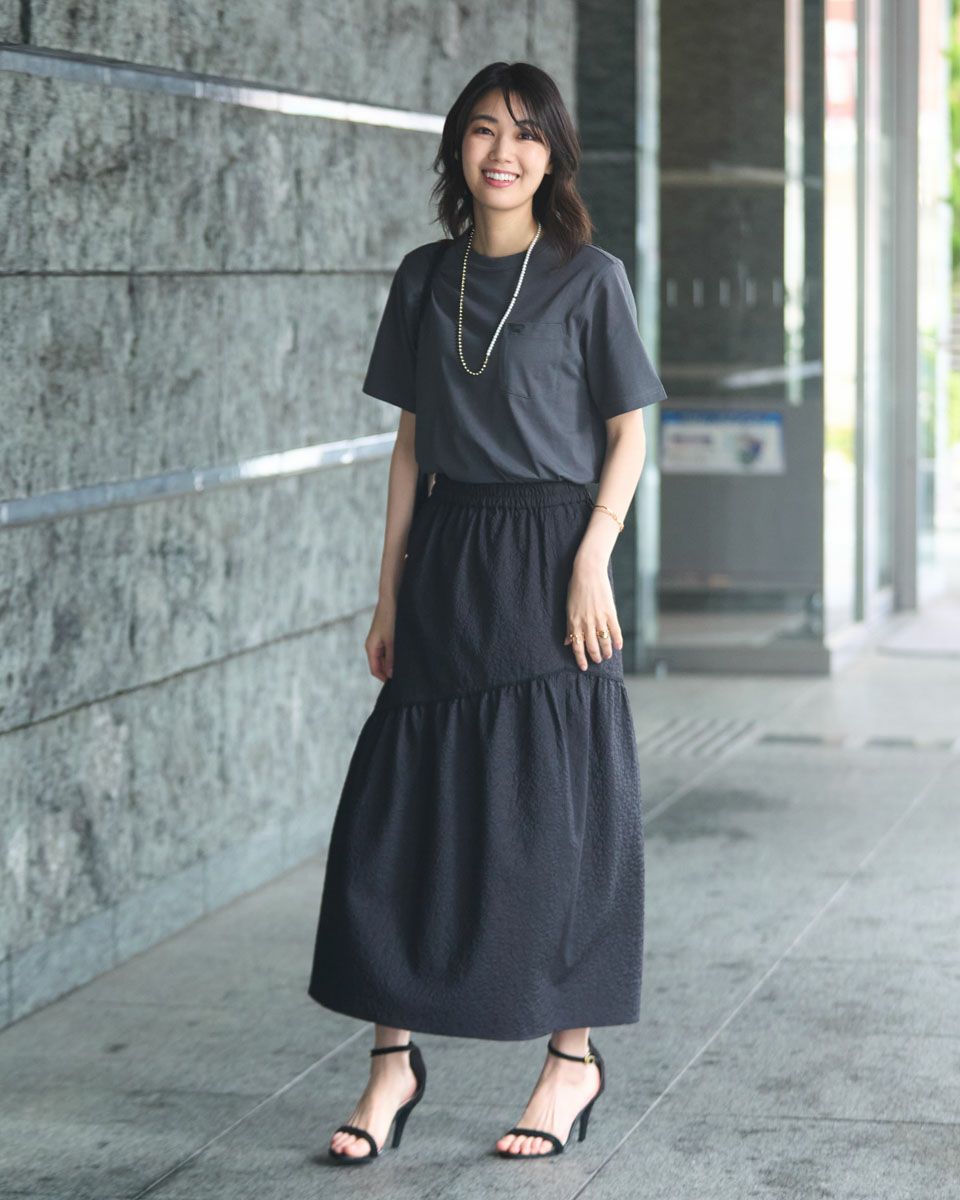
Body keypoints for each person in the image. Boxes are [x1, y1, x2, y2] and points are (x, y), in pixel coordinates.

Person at [308, 59, 667, 1164]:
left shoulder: (590, 278)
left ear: (553, 156)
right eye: (481, 130)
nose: (502, 152)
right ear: (456, 150)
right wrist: (387, 595)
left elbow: (630, 432)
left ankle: (570, 1060)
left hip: (556, 561)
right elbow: (409, 447)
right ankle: (391, 1064)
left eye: (525, 134)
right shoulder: (424, 277)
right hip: (449, 558)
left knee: (560, 822)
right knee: (398, 820)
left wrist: (593, 555)